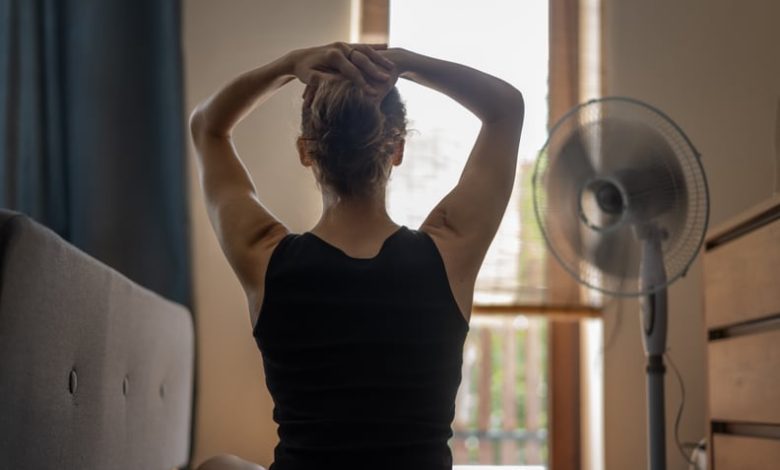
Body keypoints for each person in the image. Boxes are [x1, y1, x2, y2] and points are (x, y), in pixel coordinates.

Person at [190, 42, 524, 470]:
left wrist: (289, 66)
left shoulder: (262, 253)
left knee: (217, 466)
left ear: (305, 151)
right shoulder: (450, 249)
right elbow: (506, 109)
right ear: (398, 150)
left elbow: (207, 127)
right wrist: (404, 62)